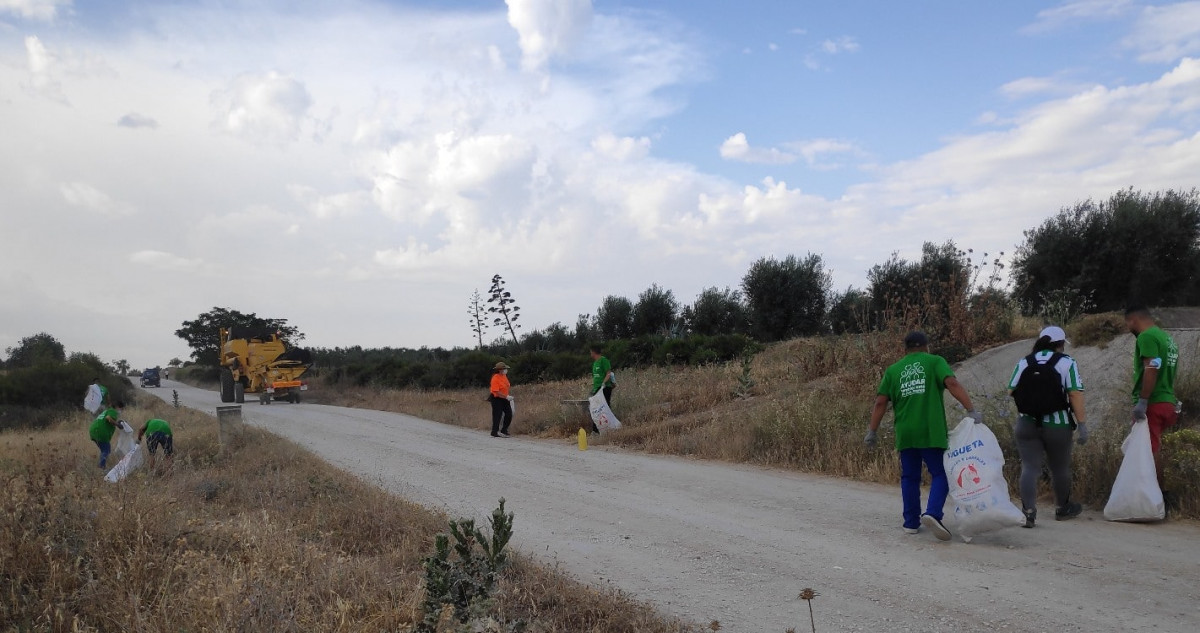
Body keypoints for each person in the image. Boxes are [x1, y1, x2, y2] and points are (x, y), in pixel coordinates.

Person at [866, 331, 981, 541]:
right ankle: (933, 513)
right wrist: (970, 409)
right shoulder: (935, 362)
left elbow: (880, 402)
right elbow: (952, 384)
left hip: (906, 433)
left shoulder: (893, 370)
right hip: (930, 430)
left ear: (905, 349)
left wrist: (872, 431)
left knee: (909, 477)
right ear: (926, 346)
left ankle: (910, 523)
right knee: (941, 473)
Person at [1007, 326, 1087, 527]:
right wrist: (1082, 424)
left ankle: (1028, 512)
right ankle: (1062, 508)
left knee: (1029, 467)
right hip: (1057, 424)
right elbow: (1075, 394)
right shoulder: (1067, 362)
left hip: (1026, 423)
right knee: (1060, 468)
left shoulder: (1025, 361)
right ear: (1060, 344)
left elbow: (1011, 390)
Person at [1124, 306, 1180, 496]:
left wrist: (1143, 401)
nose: (1128, 327)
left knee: (1147, 452)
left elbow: (1151, 368)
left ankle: (1153, 496)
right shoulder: (1167, 338)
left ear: (1133, 320)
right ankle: (1157, 494)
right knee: (1153, 448)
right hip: (1167, 401)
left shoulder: (1146, 337)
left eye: (1127, 323)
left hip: (1153, 403)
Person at [89, 400, 124, 469]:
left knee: (104, 450)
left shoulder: (107, 410)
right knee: (106, 450)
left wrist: (116, 422)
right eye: (121, 408)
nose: (121, 410)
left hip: (94, 430)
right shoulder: (113, 411)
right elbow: (108, 418)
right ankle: (101, 467)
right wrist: (117, 424)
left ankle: (101, 465)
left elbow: (108, 420)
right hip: (100, 431)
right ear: (117, 407)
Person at [489, 362, 513, 438]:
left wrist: (507, 396)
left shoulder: (504, 376)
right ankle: (494, 431)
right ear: (500, 370)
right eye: (504, 369)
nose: (506, 370)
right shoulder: (495, 378)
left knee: (509, 414)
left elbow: (506, 386)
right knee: (497, 415)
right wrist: (506, 397)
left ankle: (504, 430)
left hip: (505, 398)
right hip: (496, 398)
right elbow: (496, 391)